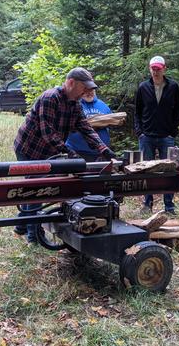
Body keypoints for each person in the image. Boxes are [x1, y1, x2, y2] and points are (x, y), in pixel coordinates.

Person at [13, 67, 115, 243]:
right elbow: (48, 133)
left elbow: (85, 128)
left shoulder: (75, 104)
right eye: (84, 87)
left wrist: (103, 149)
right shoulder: (50, 97)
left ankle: (21, 224)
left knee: (39, 188)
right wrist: (69, 151)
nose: (87, 92)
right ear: (71, 83)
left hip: (49, 151)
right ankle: (33, 237)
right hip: (29, 148)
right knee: (37, 190)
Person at [134, 55, 179, 215]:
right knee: (147, 170)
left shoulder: (173, 87)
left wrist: (173, 132)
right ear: (150, 69)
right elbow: (137, 112)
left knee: (169, 170)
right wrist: (139, 132)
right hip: (146, 136)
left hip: (166, 136)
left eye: (158, 69)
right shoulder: (143, 87)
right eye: (153, 69)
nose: (155, 72)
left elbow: (177, 111)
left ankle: (169, 206)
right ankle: (147, 203)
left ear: (164, 69)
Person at [65, 83, 113, 162]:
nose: (89, 92)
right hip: (77, 153)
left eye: (92, 90)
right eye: (86, 90)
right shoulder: (74, 104)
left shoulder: (103, 106)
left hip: (101, 153)